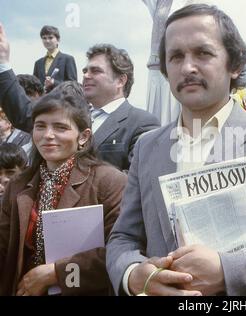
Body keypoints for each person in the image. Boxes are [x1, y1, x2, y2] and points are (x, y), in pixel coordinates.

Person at [106, 4, 246, 296]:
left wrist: (226, 270)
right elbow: (122, 239)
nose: (188, 67)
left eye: (203, 53)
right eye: (176, 56)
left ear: (235, 65)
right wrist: (133, 275)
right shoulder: (146, 148)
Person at [0, 92, 128, 295]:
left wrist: (57, 274)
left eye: (60, 127)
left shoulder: (109, 182)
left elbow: (119, 251)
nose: (48, 135)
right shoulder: (19, 184)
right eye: (40, 126)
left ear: (83, 137)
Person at [0, 23, 161, 171]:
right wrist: (3, 64)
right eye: (85, 71)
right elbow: (24, 112)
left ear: (120, 80)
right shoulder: (70, 113)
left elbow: (136, 182)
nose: (86, 76)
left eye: (95, 71)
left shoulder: (142, 123)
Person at [33, 25, 77, 93]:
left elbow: (74, 86)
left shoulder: (68, 59)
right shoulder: (38, 63)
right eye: (44, 38)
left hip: (61, 102)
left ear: (58, 40)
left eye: (50, 38)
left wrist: (54, 82)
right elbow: (34, 86)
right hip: (42, 102)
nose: (47, 41)